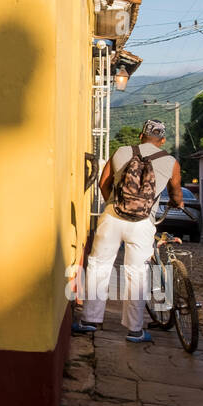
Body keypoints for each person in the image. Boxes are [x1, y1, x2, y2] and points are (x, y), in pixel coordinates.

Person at [79, 118, 184, 343]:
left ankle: (89, 320)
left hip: (112, 218)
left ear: (141, 136)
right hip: (143, 223)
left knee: (99, 266)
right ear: (162, 139)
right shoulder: (171, 162)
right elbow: (176, 194)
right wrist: (177, 203)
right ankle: (134, 331)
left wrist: (115, 207)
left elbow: (103, 184)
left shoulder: (121, 152)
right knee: (136, 275)